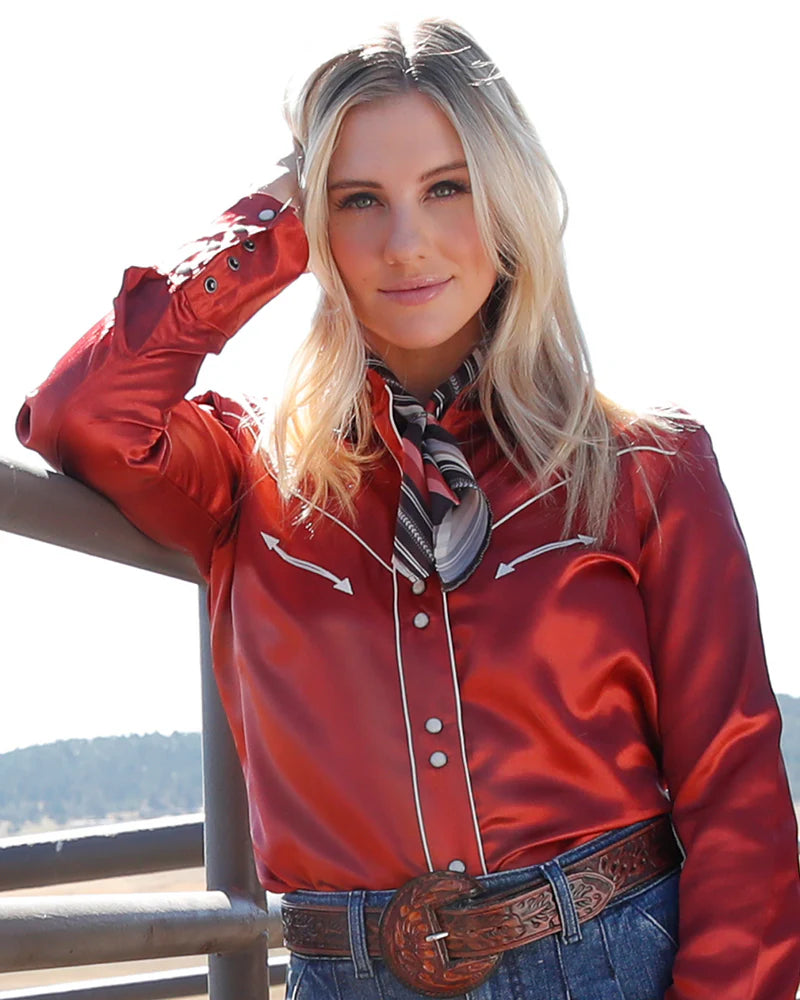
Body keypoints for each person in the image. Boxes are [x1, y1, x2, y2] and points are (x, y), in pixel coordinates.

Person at [16, 18, 799, 1000]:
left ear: (505, 198)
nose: (405, 242)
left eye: (445, 187)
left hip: (607, 966)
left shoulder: (646, 467)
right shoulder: (249, 474)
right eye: (356, 201)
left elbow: (738, 802)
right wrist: (261, 233)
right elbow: (81, 414)